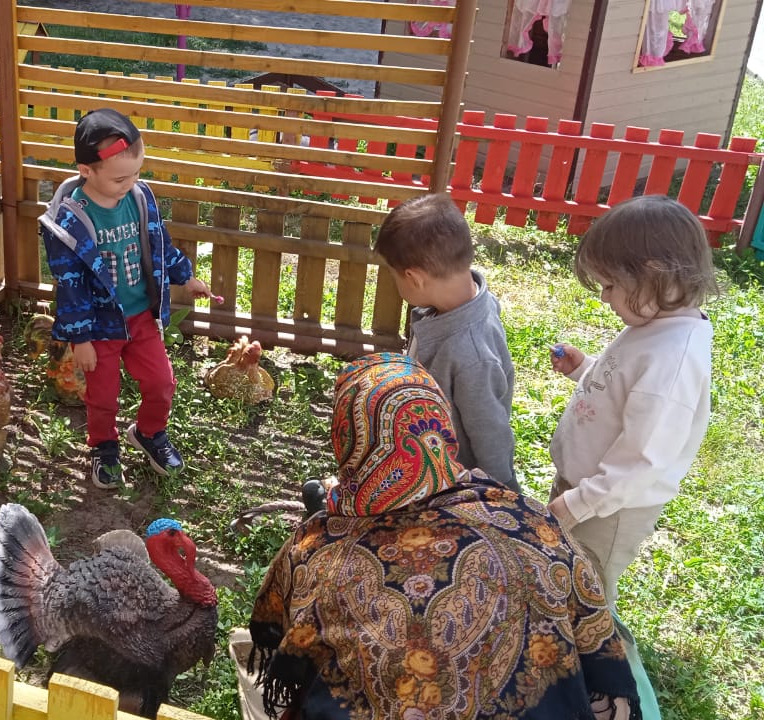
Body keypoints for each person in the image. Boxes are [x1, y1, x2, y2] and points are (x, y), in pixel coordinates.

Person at [249, 353, 638, 720]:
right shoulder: (533, 524)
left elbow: (283, 634)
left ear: (348, 438)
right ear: (439, 426)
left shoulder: (319, 548)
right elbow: (599, 652)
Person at [547, 194, 714, 607]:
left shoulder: (673, 358)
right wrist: (585, 369)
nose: (605, 298)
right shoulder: (655, 324)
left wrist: (578, 503)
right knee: (562, 574)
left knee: (587, 591)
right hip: (589, 490)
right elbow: (625, 391)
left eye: (610, 285)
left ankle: (599, 643)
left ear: (653, 274)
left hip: (610, 508)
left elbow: (642, 459)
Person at [38, 108, 213, 491]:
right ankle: (104, 445)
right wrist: (81, 339)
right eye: (120, 178)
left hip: (142, 318)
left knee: (162, 382)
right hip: (100, 327)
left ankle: (149, 433)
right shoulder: (69, 222)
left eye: (136, 173)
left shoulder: (139, 197)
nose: (130, 183)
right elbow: (70, 285)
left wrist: (186, 276)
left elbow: (159, 244)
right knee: (103, 395)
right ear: (87, 171)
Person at [373, 193, 520, 491]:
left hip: (452, 481)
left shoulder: (471, 354)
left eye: (394, 276)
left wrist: (503, 491)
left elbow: (490, 431)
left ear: (414, 278)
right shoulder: (461, 300)